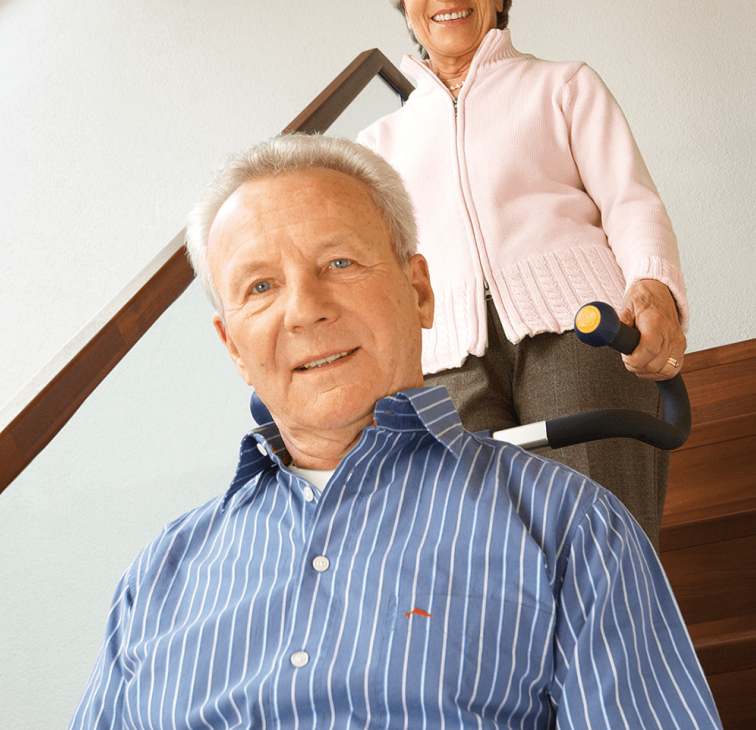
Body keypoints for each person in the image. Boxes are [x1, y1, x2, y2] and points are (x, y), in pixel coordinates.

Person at [68, 134, 721, 729]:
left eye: (339, 263)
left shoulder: (573, 527)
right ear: (233, 347)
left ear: (419, 291)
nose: (305, 310)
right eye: (261, 285)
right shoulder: (156, 577)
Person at [359, 0, 688, 545]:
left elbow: (629, 201)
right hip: (444, 362)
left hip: (579, 330)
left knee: (601, 540)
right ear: (405, 4)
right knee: (481, 561)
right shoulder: (377, 145)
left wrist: (654, 290)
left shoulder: (564, 86)